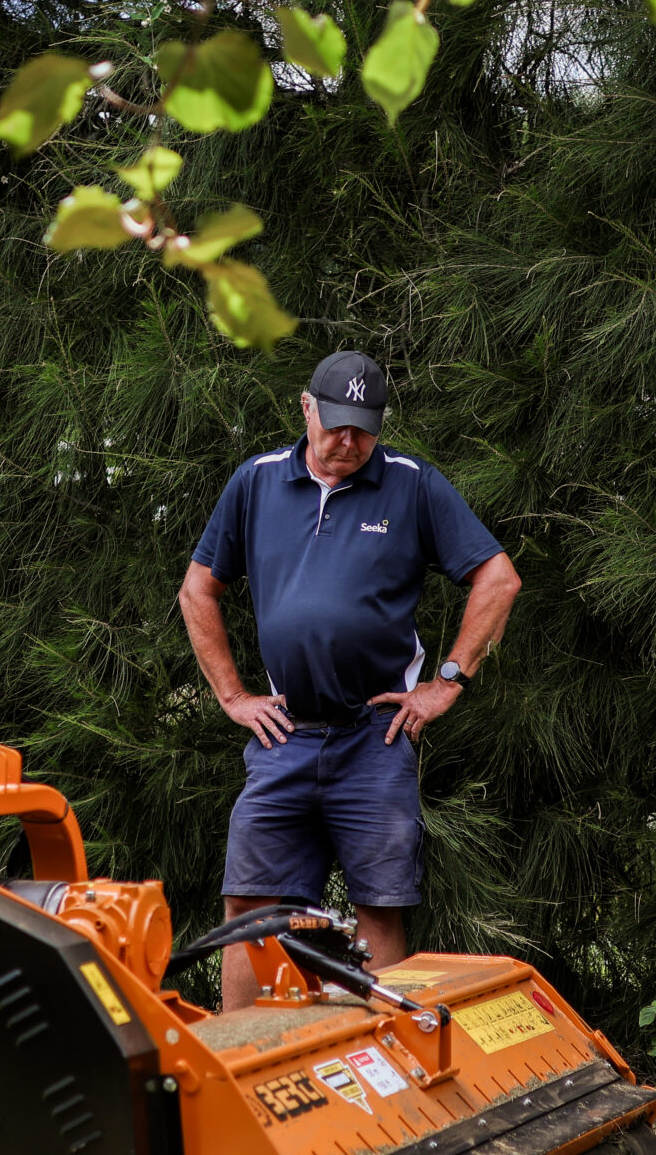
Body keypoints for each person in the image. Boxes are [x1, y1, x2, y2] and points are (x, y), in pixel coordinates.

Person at [179, 351, 522, 1010]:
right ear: (305, 408)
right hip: (283, 737)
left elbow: (498, 577)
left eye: (363, 427)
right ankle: (240, 1065)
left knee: (379, 907)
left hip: (374, 737)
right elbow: (199, 588)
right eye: (336, 422)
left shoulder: (411, 483)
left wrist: (447, 680)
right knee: (252, 906)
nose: (349, 439)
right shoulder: (255, 482)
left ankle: (388, 1074)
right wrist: (231, 695)